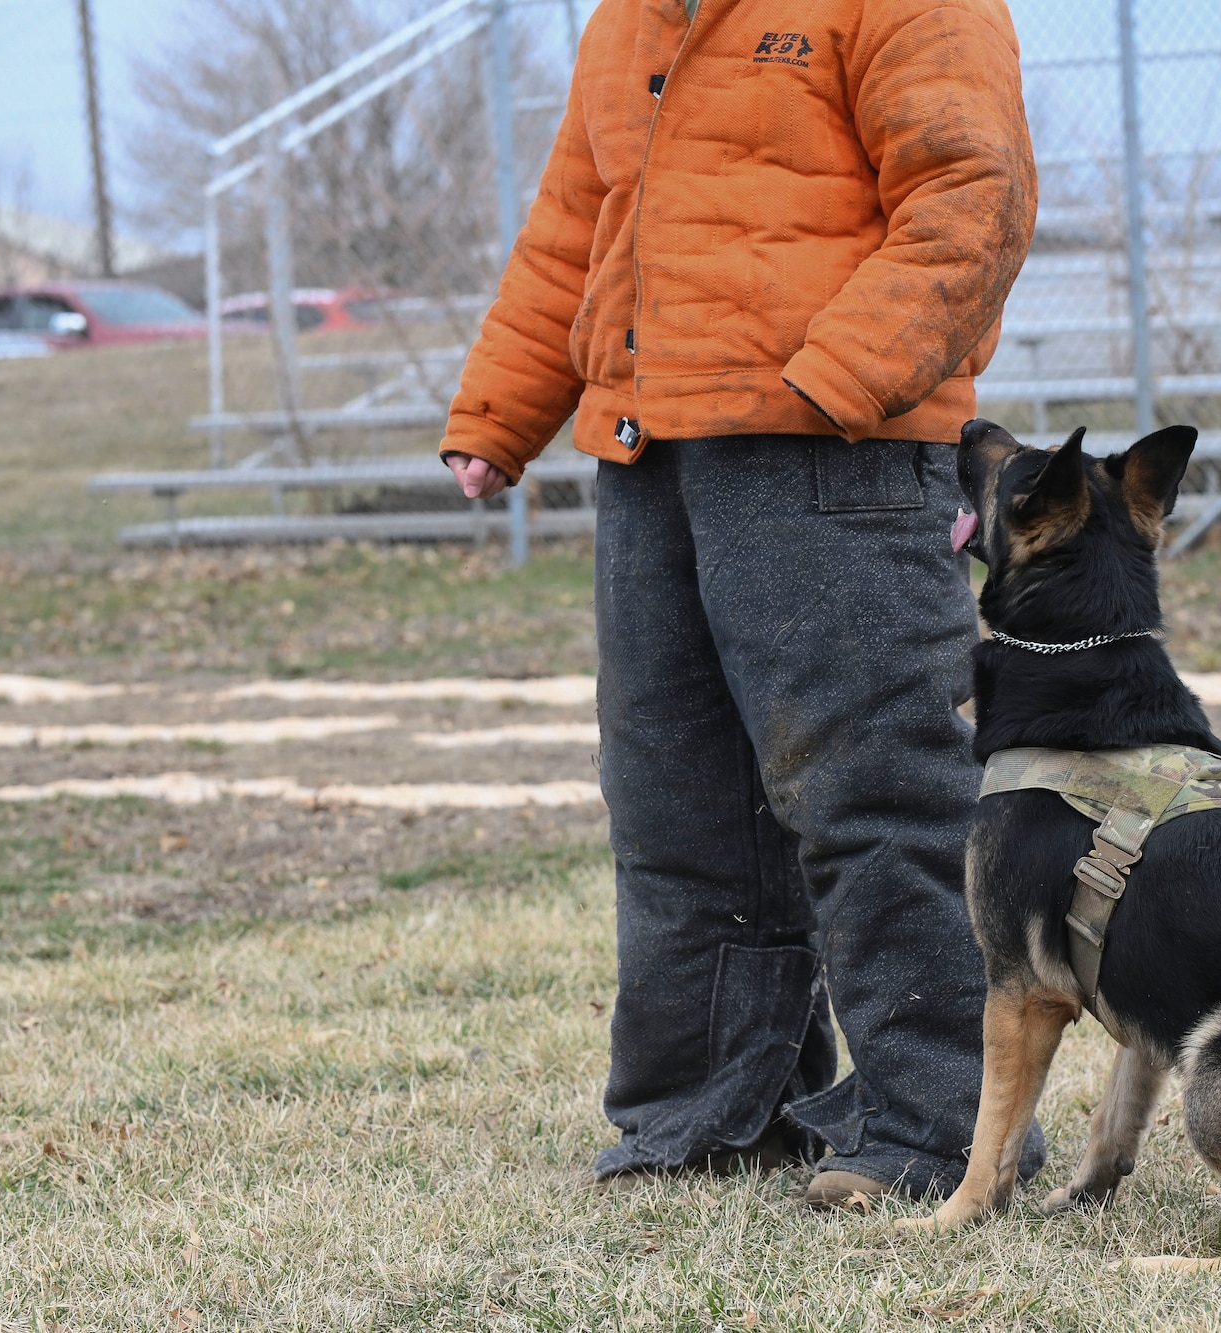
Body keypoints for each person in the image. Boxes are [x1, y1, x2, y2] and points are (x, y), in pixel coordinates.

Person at [439, 0, 1042, 1206]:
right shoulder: (627, 18)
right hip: (650, 451)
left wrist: (840, 377)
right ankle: (711, 1114)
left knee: (874, 789)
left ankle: (942, 1131)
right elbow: (577, 219)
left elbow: (973, 193)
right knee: (677, 798)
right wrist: (500, 406)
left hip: (834, 448)